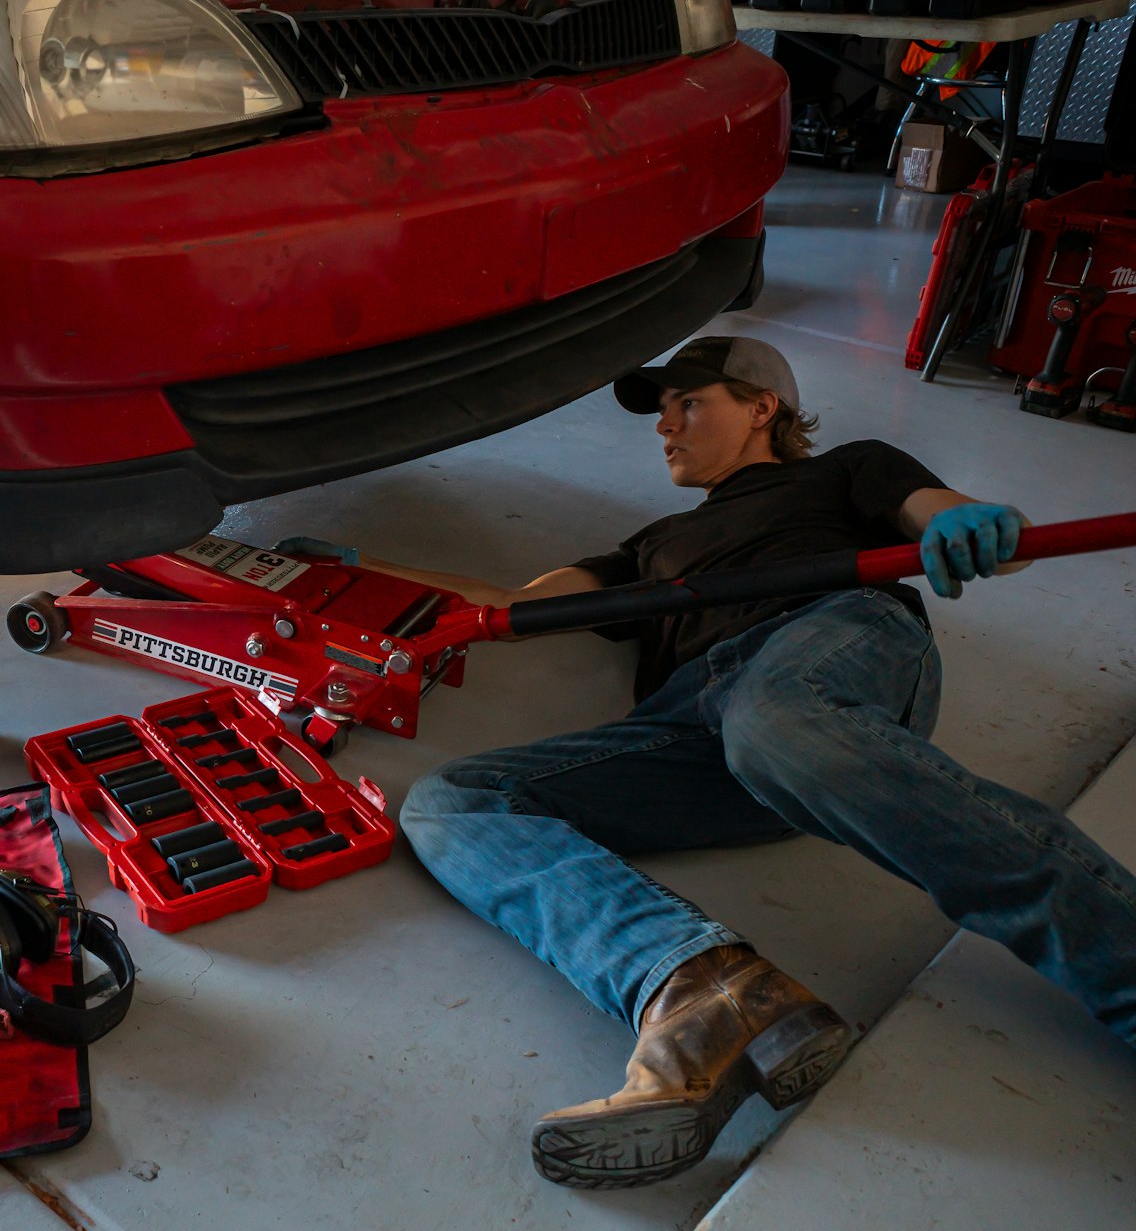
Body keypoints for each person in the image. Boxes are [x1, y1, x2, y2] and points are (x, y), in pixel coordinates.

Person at [371, 336, 1136, 1191]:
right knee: (454, 802)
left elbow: (951, 515)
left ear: (761, 406)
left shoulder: (844, 470)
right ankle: (705, 996)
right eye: (660, 413)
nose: (665, 426)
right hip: (698, 727)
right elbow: (509, 606)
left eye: (687, 402)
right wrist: (353, 570)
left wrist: (982, 526)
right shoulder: (651, 546)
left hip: (825, 643)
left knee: (775, 725)